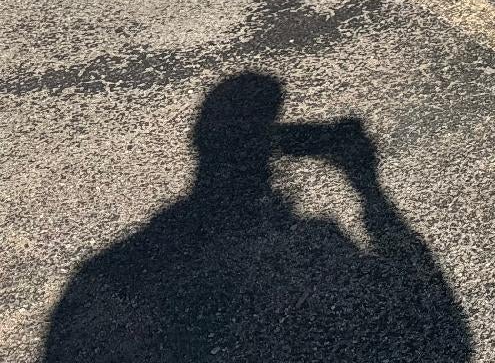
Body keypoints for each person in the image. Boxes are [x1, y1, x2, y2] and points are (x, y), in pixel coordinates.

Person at [41, 72, 471, 361]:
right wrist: (364, 181)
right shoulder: (309, 255)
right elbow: (437, 320)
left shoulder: (110, 276)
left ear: (199, 141)